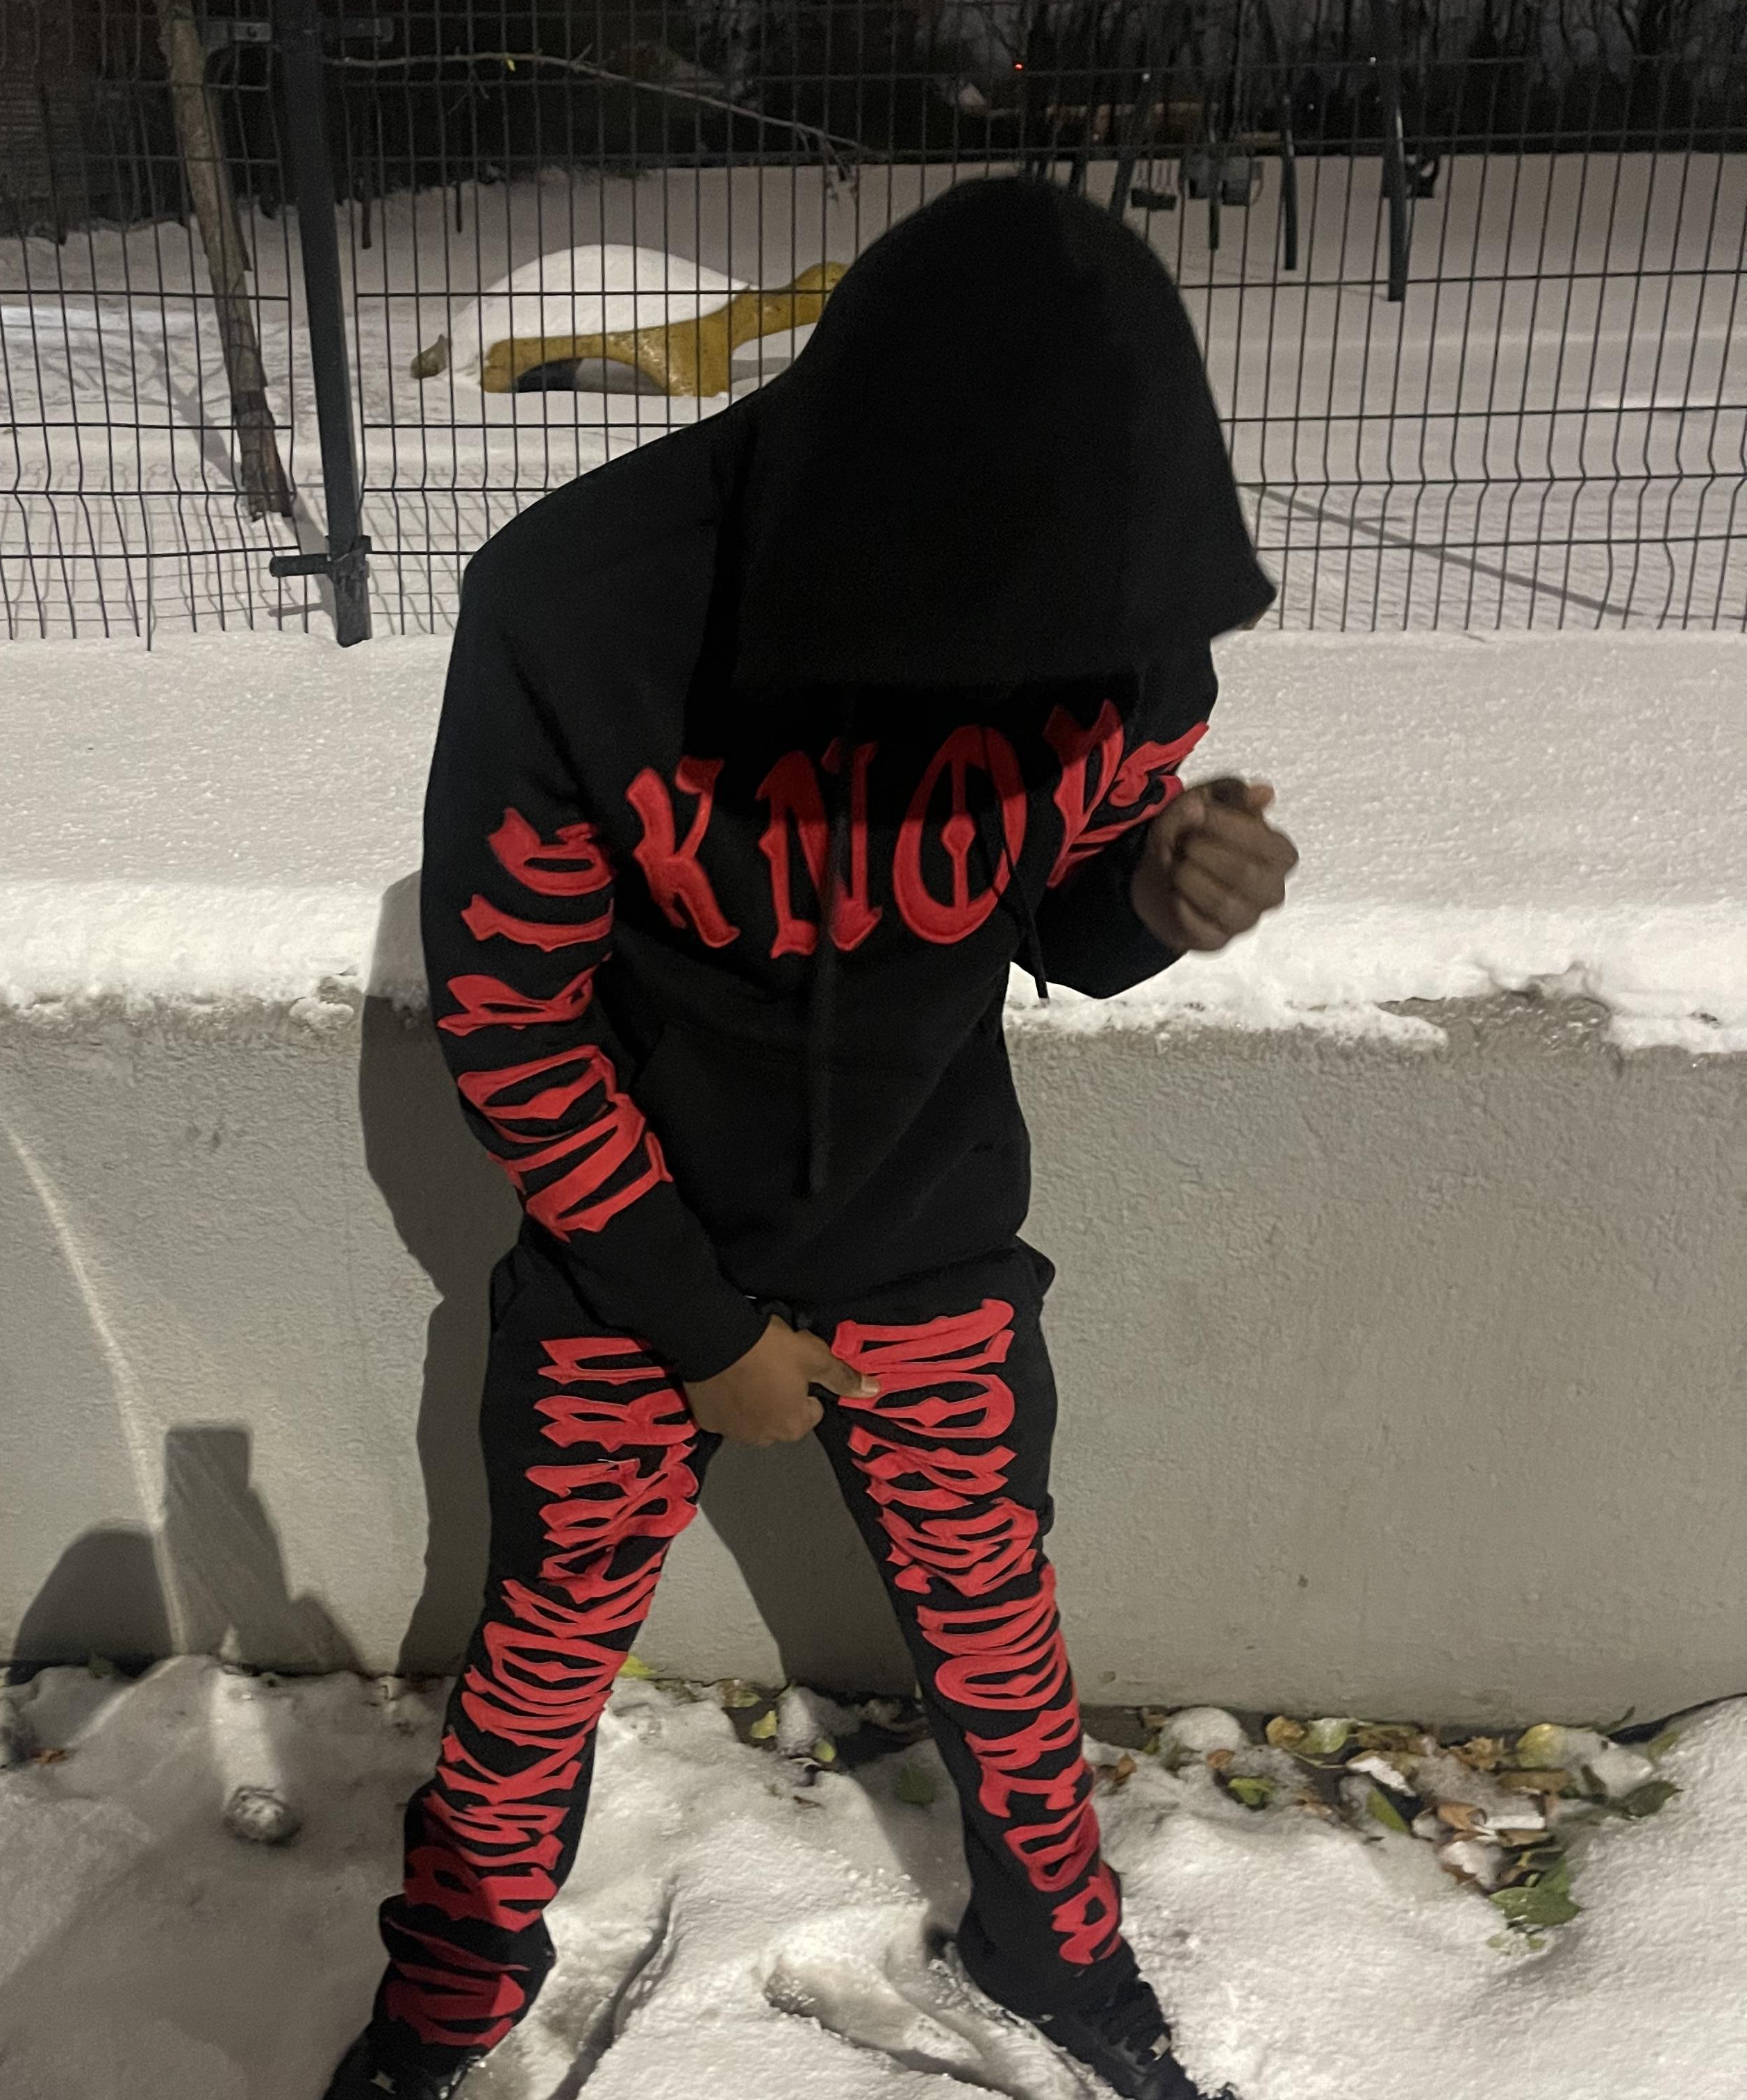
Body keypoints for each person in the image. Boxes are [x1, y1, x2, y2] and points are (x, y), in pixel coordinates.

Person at [329, 176, 1295, 2100]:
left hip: (929, 1234)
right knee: (539, 1659)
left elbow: (1052, 896)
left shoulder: (1117, 612)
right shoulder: (585, 611)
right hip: (636, 1258)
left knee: (1001, 1640)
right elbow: (512, 1015)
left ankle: (1053, 1951)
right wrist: (700, 1329)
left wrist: (1152, 897)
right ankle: (454, 1980)